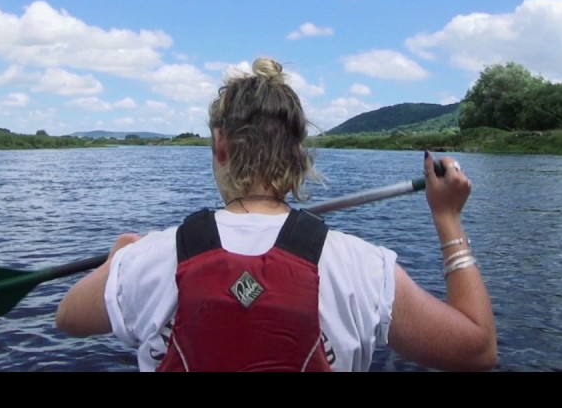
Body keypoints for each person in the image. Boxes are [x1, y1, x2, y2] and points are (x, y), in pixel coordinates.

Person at [55, 57, 497, 371]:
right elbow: (477, 349)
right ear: (298, 154)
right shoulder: (363, 266)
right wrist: (448, 219)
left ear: (221, 144)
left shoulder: (149, 260)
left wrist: (118, 259)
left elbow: (68, 317)